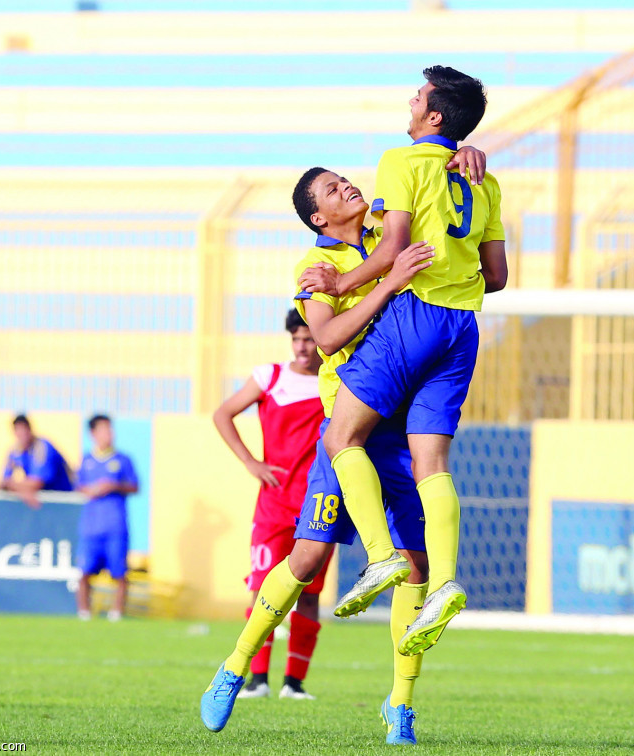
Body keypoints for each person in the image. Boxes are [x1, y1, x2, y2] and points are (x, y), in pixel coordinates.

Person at [200, 155, 486, 743]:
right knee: (305, 563)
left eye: (344, 179)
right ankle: (233, 668)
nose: (347, 186)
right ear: (318, 216)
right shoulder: (314, 267)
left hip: (402, 428)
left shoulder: (391, 229)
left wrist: (461, 157)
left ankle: (401, 705)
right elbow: (327, 337)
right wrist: (388, 285)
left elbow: (443, 198)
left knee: (418, 566)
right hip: (350, 426)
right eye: (332, 188)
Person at [301, 65, 507, 656]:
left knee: (342, 435)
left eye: (418, 96)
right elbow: (497, 277)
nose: (410, 100)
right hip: (463, 327)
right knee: (432, 461)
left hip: (413, 315)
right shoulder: (484, 181)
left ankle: (382, 558)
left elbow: (391, 249)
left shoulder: (400, 161)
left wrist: (342, 285)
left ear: (433, 116)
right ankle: (442, 582)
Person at [212, 308, 326, 701]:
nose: (302, 347)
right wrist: (250, 461)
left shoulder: (334, 381)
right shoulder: (270, 377)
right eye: (296, 339)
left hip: (317, 506)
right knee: (262, 589)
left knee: (309, 596)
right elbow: (223, 413)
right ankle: (256, 679)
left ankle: (294, 684)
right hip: (274, 506)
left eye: (309, 339)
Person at [75, 414, 139, 622]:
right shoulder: (87, 460)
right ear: (93, 434)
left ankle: (116, 612)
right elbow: (78, 487)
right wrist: (90, 490)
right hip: (91, 526)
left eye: (110, 430)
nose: (109, 434)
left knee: (120, 573)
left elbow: (135, 486)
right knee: (84, 572)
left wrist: (114, 486)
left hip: (115, 525)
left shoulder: (123, 460)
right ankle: (84, 612)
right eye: (104, 430)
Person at [0, 414, 73, 508]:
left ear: (30, 430)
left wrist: (15, 487)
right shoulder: (15, 451)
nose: (22, 434)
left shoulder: (42, 447)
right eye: (18, 430)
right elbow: (2, 484)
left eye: (24, 430)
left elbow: (36, 483)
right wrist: (22, 492)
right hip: (46, 504)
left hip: (65, 499)